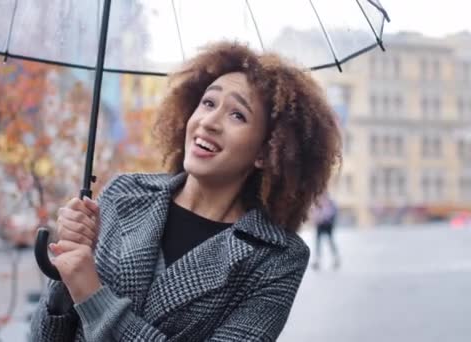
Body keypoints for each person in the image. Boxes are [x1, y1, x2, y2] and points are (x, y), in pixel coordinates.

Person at [30, 41, 341, 341]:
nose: (209, 122)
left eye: (237, 115)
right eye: (208, 102)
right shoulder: (123, 194)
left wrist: (92, 295)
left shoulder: (277, 257)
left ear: (266, 151)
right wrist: (67, 269)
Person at [310, 193, 340, 270]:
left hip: (327, 225)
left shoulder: (330, 203)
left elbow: (332, 212)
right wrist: (316, 218)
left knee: (330, 242)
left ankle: (336, 259)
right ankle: (317, 261)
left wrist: (322, 217)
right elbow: (314, 213)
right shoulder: (318, 203)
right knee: (318, 243)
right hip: (320, 225)